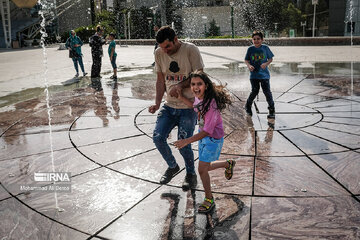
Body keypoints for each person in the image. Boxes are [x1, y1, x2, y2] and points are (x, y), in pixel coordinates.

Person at [148, 26, 204, 190]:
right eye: (161, 47)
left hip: (188, 107)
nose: (164, 51)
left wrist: (179, 85)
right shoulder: (159, 53)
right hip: (169, 106)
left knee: (183, 141)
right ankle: (172, 166)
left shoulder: (191, 50)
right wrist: (157, 103)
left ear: (176, 39)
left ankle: (191, 173)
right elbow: (160, 80)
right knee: (158, 137)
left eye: (168, 46)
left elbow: (199, 76)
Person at [174, 70, 235, 214]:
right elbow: (195, 106)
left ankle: (209, 199)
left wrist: (186, 141)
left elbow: (208, 131)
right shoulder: (199, 99)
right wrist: (181, 97)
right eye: (193, 84)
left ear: (206, 85)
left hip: (212, 138)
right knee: (205, 167)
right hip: (203, 136)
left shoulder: (211, 105)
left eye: (199, 84)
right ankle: (228, 164)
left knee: (202, 170)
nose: (195, 87)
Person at [244, 30, 275, 119]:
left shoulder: (265, 48)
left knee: (267, 92)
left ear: (262, 39)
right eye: (254, 39)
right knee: (254, 91)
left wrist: (266, 64)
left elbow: (270, 58)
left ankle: (271, 109)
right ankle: (248, 106)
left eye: (258, 39)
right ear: (252, 40)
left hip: (264, 75)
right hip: (254, 75)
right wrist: (249, 65)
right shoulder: (250, 49)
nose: (256, 41)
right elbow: (246, 60)